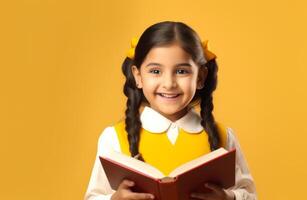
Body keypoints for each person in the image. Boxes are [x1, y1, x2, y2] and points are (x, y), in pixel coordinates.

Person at [84, 21, 257, 200]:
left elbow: (250, 194)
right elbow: (93, 196)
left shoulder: (223, 137)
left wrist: (228, 197)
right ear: (138, 76)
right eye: (156, 71)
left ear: (201, 77)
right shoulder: (114, 138)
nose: (169, 83)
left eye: (182, 71)